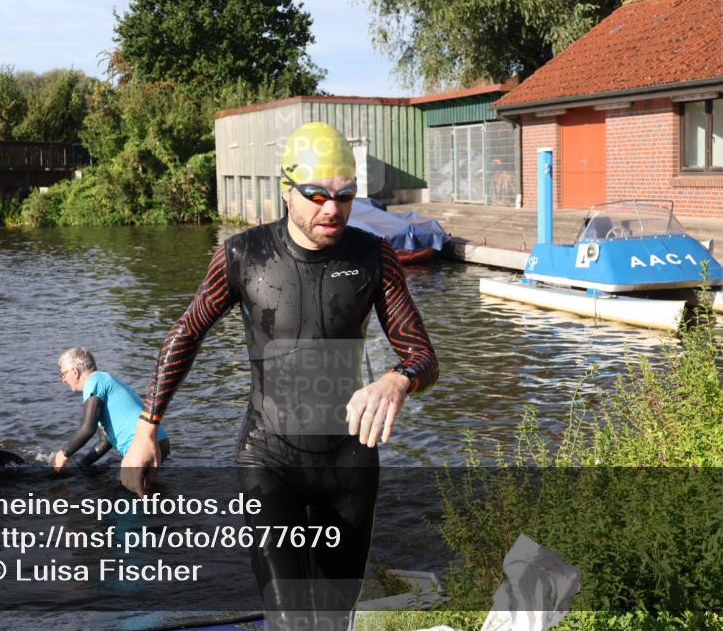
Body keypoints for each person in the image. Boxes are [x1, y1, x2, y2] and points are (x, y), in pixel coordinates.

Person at [123, 121, 438, 629]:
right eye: (316, 195)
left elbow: (422, 354)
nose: (331, 209)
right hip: (268, 457)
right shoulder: (244, 255)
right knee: (289, 619)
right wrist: (146, 427)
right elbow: (188, 331)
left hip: (348, 461)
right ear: (286, 191)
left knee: (335, 621)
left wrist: (397, 380)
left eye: (345, 195)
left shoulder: (372, 256)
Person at [51, 348, 169, 476]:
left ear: (75, 372)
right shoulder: (104, 380)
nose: (63, 379)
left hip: (142, 447)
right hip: (159, 442)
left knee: (124, 493)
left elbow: (87, 429)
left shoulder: (93, 381)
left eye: (63, 374)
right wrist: (82, 464)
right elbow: (105, 441)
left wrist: (63, 454)